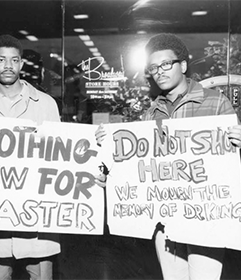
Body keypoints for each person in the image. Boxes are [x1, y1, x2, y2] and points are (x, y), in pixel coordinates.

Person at [95, 33, 241, 280]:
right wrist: (110, 157)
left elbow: (231, 162)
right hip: (165, 218)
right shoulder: (151, 114)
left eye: (166, 64)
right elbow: (139, 167)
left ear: (182, 66)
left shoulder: (216, 103)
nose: (159, 71)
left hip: (205, 215)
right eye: (153, 67)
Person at [0, 34, 61, 280]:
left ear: (21, 64)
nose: (8, 66)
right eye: (1, 59)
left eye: (14, 60)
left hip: (37, 218)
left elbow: (61, 156)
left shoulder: (46, 104)